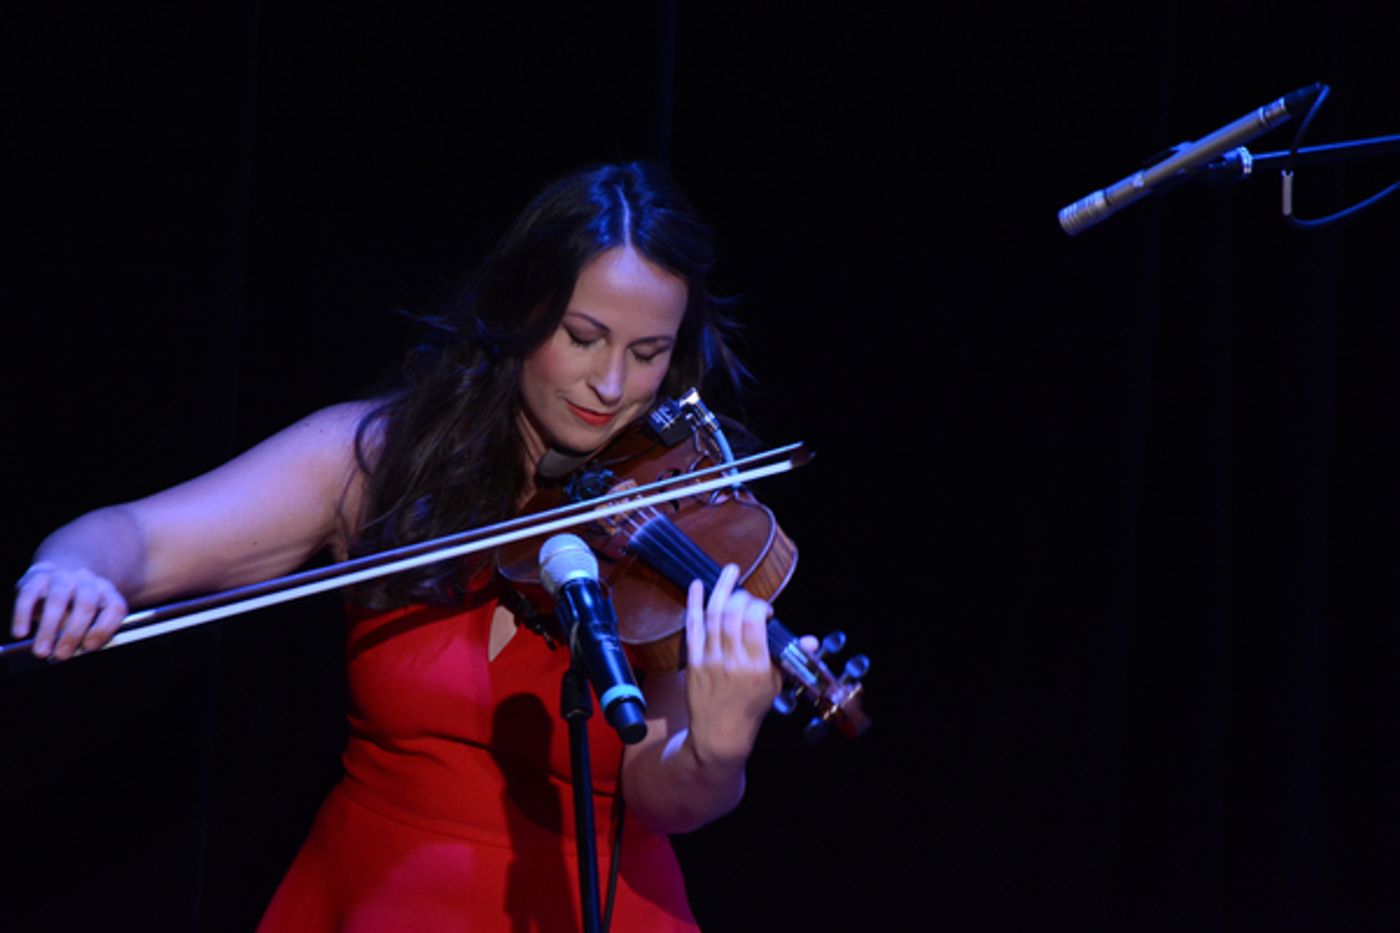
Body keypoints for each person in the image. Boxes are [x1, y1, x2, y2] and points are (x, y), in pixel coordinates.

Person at [10, 161, 797, 930]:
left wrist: (713, 756)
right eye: (584, 337)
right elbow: (136, 536)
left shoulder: (676, 516)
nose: (613, 384)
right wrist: (72, 570)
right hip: (372, 895)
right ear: (524, 308)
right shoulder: (378, 458)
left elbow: (662, 794)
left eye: (648, 353)